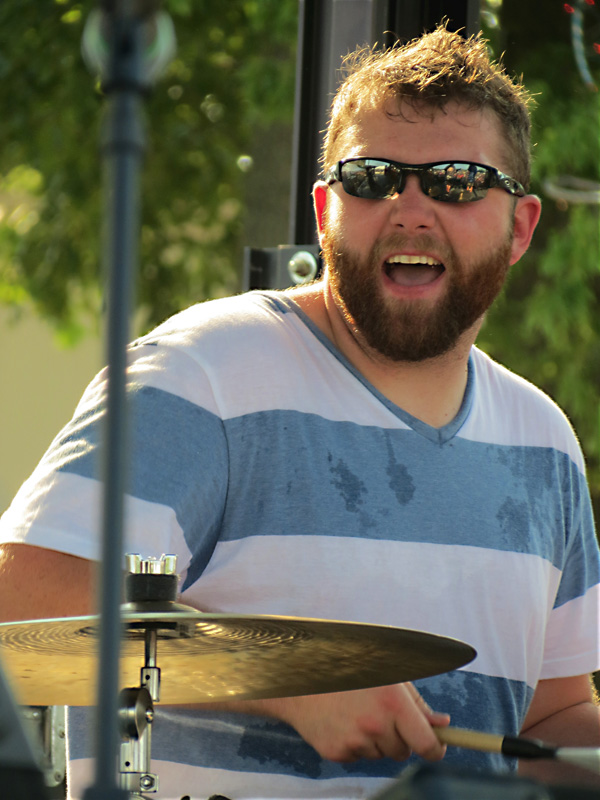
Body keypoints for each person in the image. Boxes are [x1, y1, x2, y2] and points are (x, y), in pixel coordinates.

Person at [0, 22, 599, 800]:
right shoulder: (205, 373)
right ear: (324, 210)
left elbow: (552, 717)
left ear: (520, 227)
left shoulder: (544, 442)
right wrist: (292, 683)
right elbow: (22, 601)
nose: (410, 210)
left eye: (455, 181)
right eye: (372, 178)